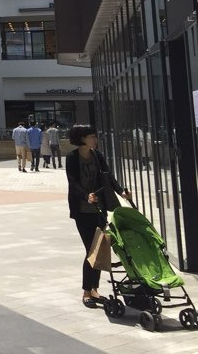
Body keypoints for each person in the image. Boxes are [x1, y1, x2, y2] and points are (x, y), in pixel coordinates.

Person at [65, 124, 132, 308]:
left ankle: (94, 289)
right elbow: (73, 182)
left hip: (100, 209)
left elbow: (108, 177)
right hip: (83, 211)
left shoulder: (97, 155)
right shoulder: (72, 158)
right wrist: (86, 196)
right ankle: (87, 291)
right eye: (92, 136)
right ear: (82, 139)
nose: (95, 139)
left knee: (100, 249)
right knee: (91, 250)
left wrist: (121, 192)